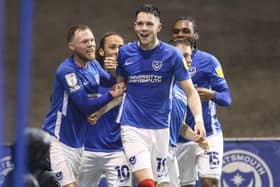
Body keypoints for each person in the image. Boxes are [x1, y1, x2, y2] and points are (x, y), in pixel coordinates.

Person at [116, 4, 205, 187]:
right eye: (140, 23)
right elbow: (120, 85)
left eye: (149, 24)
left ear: (158, 27)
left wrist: (198, 119)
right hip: (132, 127)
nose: (144, 28)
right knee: (148, 182)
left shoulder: (172, 55)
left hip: (161, 129)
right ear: (134, 26)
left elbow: (190, 91)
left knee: (162, 183)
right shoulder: (125, 53)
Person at [42, 25, 124, 187]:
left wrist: (118, 69)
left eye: (92, 40)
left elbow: (115, 82)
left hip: (78, 143)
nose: (91, 44)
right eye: (85, 41)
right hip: (58, 140)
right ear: (72, 46)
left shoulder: (93, 65)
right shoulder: (67, 71)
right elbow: (85, 107)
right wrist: (111, 95)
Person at [172, 17, 232, 187]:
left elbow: (227, 98)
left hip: (208, 133)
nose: (180, 34)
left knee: (210, 181)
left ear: (195, 35)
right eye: (176, 31)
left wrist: (212, 94)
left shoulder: (209, 61)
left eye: (185, 31)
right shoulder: (165, 63)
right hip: (179, 138)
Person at [78, 32, 132, 187]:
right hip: (85, 149)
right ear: (101, 51)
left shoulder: (131, 77)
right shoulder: (86, 74)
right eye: (112, 47)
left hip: (116, 151)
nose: (117, 51)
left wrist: (118, 73)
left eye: (121, 47)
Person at [167, 38, 209, 187]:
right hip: (152, 150)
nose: (190, 60)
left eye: (190, 55)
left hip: (170, 151)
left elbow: (178, 125)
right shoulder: (159, 82)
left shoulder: (182, 90)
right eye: (184, 55)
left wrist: (195, 137)